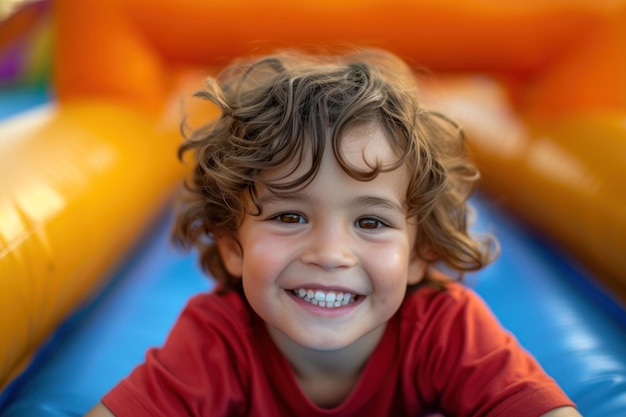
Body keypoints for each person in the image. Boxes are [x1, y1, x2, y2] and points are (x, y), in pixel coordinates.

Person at [86, 48, 581, 417]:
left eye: (370, 222)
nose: (329, 253)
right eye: (290, 216)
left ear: (418, 253)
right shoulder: (220, 340)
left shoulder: (443, 330)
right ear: (232, 244)